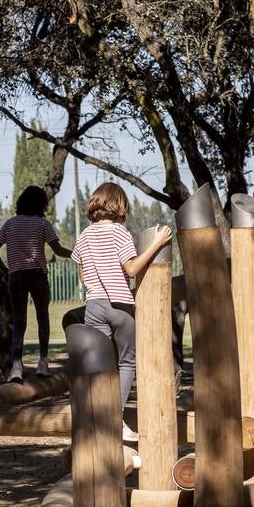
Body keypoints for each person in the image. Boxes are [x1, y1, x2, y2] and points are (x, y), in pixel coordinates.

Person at [71, 182, 172, 442]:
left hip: (94, 305)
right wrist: (157, 243)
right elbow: (131, 269)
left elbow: (82, 276)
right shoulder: (119, 233)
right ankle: (116, 418)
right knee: (127, 361)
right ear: (120, 206)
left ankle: (97, 417)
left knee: (100, 365)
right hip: (120, 305)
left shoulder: (84, 235)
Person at [0, 186, 72, 382]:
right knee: (43, 318)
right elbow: (57, 250)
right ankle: (43, 363)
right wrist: (76, 254)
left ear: (21, 202)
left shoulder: (9, 224)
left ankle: (16, 367)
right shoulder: (42, 224)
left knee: (19, 321)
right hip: (37, 276)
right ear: (41, 204)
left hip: (16, 276)